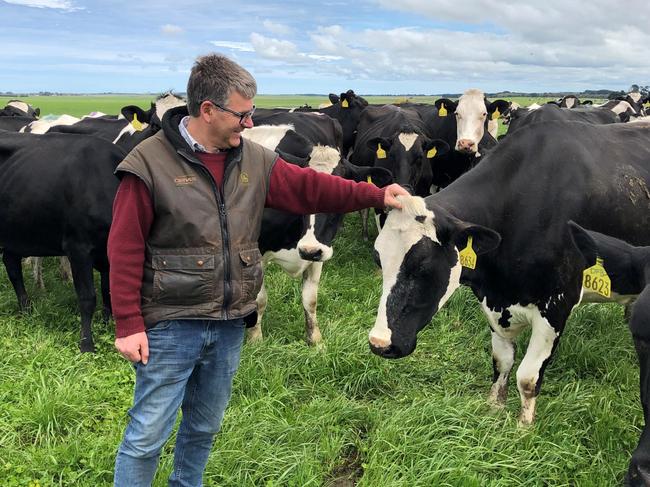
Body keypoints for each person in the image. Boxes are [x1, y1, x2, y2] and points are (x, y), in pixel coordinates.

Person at [108, 52, 408, 487]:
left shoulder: (252, 159)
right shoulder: (148, 164)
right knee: (147, 435)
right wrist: (128, 323)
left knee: (204, 428)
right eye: (242, 114)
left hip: (231, 320)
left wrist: (375, 195)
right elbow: (124, 247)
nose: (249, 124)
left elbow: (310, 187)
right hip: (171, 324)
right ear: (207, 110)